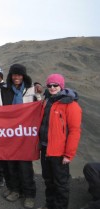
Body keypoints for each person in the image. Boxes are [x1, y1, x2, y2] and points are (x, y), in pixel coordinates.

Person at [38, 73, 82, 209]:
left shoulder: (71, 105)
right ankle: (49, 205)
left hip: (59, 152)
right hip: (45, 148)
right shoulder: (47, 101)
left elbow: (75, 131)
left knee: (61, 183)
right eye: (49, 85)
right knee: (48, 180)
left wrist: (68, 154)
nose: (52, 88)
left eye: (55, 85)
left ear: (61, 86)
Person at [1, 64, 42, 209]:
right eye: (14, 75)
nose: (16, 77)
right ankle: (15, 190)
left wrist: (39, 91)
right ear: (10, 76)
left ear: (23, 76)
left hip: (26, 135)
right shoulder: (4, 91)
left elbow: (40, 108)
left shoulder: (32, 90)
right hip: (10, 134)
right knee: (11, 164)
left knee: (25, 166)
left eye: (19, 75)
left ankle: (29, 194)